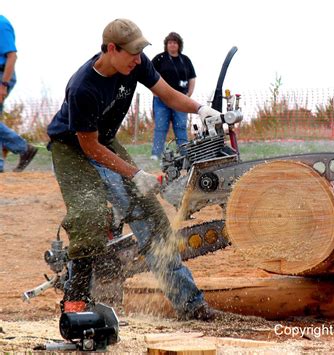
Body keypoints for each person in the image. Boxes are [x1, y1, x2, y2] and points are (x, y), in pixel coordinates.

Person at [46, 18, 220, 320]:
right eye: (132, 54)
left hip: (105, 141)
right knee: (89, 216)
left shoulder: (135, 64)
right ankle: (76, 305)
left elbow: (166, 94)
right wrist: (135, 173)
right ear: (112, 49)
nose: (138, 60)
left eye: (140, 53)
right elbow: (89, 148)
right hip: (72, 148)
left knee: (152, 218)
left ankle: (190, 304)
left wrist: (200, 109)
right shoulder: (82, 87)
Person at [0, 14, 38, 173]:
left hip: (2, 76)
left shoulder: (1, 24)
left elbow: (12, 56)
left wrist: (3, 85)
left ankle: (23, 148)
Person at [150, 32, 196, 161]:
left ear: (179, 45)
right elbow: (148, 75)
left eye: (175, 42)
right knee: (160, 127)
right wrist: (154, 91)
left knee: (180, 127)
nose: (172, 45)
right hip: (161, 99)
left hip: (180, 99)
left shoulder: (185, 60)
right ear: (166, 44)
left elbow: (192, 78)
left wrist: (189, 94)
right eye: (170, 42)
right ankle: (156, 155)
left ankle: (184, 154)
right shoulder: (159, 59)